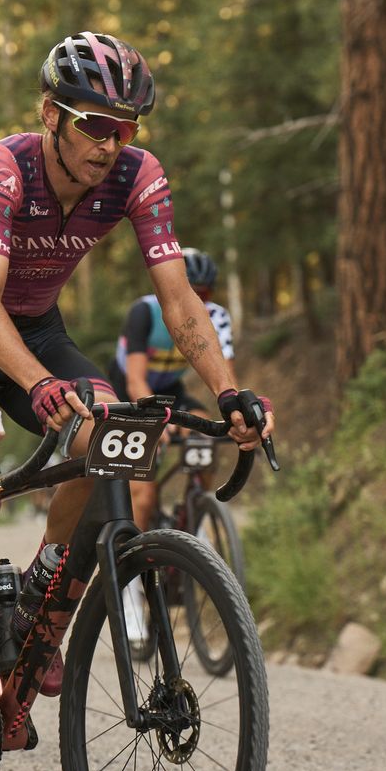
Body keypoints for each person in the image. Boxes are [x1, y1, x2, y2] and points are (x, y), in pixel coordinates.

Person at [0, 31, 275, 771]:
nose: (111, 144)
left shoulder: (138, 177)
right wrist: (38, 384)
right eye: (94, 124)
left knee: (116, 433)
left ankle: (42, 589)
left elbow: (180, 302)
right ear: (51, 113)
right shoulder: (5, 167)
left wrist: (230, 391)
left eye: (126, 127)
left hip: (34, 326)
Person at [108, 247, 236, 651]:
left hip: (172, 390)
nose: (199, 299)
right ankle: (130, 591)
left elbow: (226, 376)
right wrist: (153, 420)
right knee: (142, 491)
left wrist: (233, 414)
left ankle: (197, 512)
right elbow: (136, 382)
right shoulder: (144, 312)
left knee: (206, 435)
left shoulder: (217, 317)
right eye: (190, 290)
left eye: (206, 292)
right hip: (131, 391)